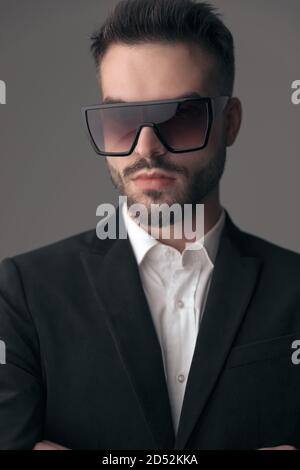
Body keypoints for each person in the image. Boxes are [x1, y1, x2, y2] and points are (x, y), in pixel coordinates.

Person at [0, 0, 299, 451]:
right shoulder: (20, 293)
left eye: (179, 117)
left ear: (230, 122)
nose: (146, 148)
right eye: (121, 120)